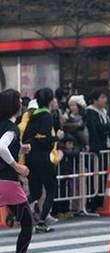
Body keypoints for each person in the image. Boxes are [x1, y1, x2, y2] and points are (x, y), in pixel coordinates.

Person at [0, 89, 37, 253]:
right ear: (13, 106)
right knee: (27, 224)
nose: (21, 105)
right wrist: (17, 166)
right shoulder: (11, 128)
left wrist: (20, 148)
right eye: (19, 101)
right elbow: (0, 147)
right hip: (7, 182)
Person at [23, 88, 63, 233]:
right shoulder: (46, 116)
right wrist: (57, 137)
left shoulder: (32, 115)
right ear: (51, 101)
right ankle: (41, 223)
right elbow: (44, 140)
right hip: (43, 159)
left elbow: (26, 138)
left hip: (31, 157)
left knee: (35, 193)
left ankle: (15, 211)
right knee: (51, 189)